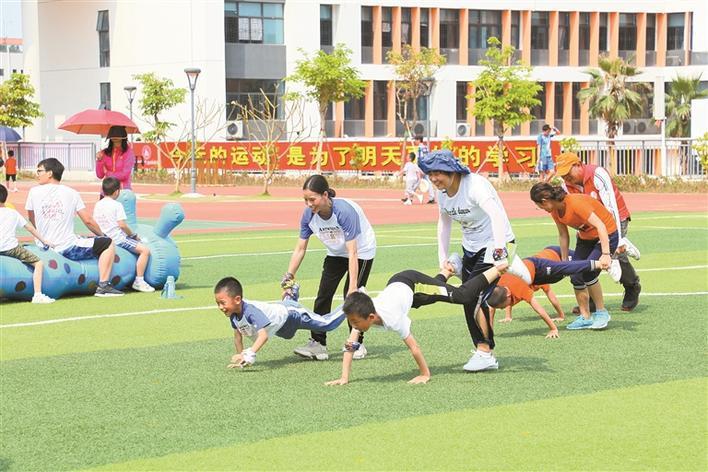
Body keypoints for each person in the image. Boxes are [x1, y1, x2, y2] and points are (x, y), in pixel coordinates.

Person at [418, 149, 531, 372]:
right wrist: (442, 258)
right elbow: (444, 223)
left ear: (452, 171)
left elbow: (496, 216)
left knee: (473, 296)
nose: (433, 179)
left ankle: (485, 351)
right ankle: (461, 264)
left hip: (496, 244)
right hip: (471, 247)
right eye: (430, 174)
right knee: (467, 297)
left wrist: (500, 252)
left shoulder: (475, 186)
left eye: (437, 173)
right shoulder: (443, 194)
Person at [326, 262, 509, 385]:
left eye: (355, 322)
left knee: (463, 296)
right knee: (429, 297)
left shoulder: (393, 318)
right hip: (400, 289)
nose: (353, 326)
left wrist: (424, 374)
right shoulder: (361, 317)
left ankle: (498, 269)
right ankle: (448, 270)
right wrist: (344, 377)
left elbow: (414, 348)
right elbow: (350, 346)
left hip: (412, 282)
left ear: (371, 317)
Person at [283, 174, 376, 361]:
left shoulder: (344, 211)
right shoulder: (308, 215)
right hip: (335, 252)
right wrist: (288, 278)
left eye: (312, 199)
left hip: (361, 251)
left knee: (351, 297)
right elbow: (300, 249)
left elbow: (352, 252)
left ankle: (357, 343)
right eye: (305, 200)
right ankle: (318, 343)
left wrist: (353, 287)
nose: (309, 204)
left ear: (325, 195)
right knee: (323, 295)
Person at [555, 152, 642, 312]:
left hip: (615, 219)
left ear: (578, 165)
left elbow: (611, 207)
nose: (565, 177)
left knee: (617, 254)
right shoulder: (565, 187)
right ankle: (592, 299)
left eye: (568, 172)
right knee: (587, 262)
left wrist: (617, 239)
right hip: (590, 226)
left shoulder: (597, 174)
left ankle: (632, 286)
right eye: (562, 174)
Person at [25, 158, 123, 297]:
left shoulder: (33, 192)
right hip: (66, 248)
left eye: (39, 171)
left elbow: (31, 218)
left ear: (50, 173)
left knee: (82, 238)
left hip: (43, 247)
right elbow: (88, 221)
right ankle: (104, 286)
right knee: (107, 243)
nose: (37, 174)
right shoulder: (71, 193)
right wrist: (103, 236)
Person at [530, 182, 620, 330]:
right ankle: (585, 317)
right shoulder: (555, 211)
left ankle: (602, 313)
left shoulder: (576, 203)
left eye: (539, 206)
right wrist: (565, 261)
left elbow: (601, 226)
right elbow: (563, 234)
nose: (541, 209)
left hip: (606, 235)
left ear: (545, 201)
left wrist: (605, 254)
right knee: (576, 274)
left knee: (589, 272)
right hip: (586, 238)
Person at [486, 246, 621, 338]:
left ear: (508, 295)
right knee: (578, 272)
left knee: (573, 268)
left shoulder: (521, 288)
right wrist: (489, 333)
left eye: (503, 307)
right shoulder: (500, 287)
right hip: (538, 269)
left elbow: (539, 309)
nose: (503, 308)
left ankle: (609, 260)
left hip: (545, 263)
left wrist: (553, 328)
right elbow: (492, 308)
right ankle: (608, 258)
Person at [214, 277, 347, 369]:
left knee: (327, 324)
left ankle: (352, 301)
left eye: (223, 303)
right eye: (218, 303)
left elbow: (263, 336)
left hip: (292, 314)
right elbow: (237, 337)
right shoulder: (233, 314)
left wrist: (250, 354)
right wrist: (241, 356)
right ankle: (291, 294)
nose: (220, 307)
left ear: (237, 299)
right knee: (287, 335)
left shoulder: (250, 311)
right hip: (281, 327)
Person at [93, 177, 155, 292]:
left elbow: (95, 224)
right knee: (145, 251)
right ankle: (139, 280)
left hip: (103, 239)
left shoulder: (98, 205)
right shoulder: (117, 205)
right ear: (117, 191)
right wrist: (133, 235)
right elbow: (122, 225)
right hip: (118, 239)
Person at [0, 184, 55, 303]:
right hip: (11, 249)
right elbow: (30, 228)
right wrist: (44, 240)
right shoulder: (13, 213)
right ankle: (37, 295)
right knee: (38, 263)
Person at [96, 126, 135, 192]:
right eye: (113, 133)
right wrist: (99, 161)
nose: (115, 136)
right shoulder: (104, 152)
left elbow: (125, 175)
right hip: (106, 192)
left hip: (123, 192)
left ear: (123, 136)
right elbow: (100, 175)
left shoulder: (128, 153)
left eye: (118, 133)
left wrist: (108, 173)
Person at [414, 136, 435, 204]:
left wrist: (419, 168)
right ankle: (432, 198)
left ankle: (410, 196)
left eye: (415, 140)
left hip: (421, 166)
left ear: (419, 140)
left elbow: (420, 159)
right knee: (428, 182)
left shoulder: (420, 148)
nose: (414, 141)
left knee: (416, 181)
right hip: (426, 166)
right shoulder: (426, 147)